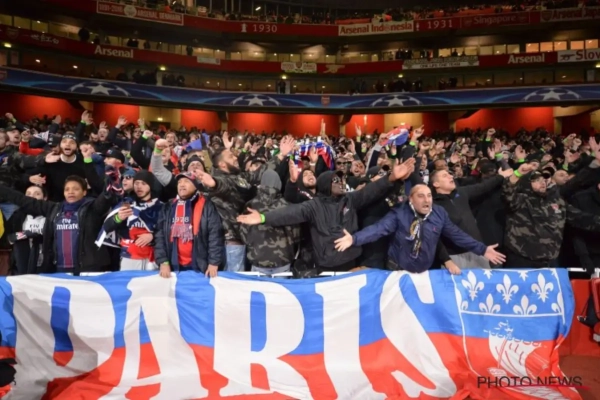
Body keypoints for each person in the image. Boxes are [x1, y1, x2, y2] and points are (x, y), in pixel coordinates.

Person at [237, 158, 417, 272]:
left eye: (342, 179)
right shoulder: (313, 205)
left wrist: (391, 178)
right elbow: (289, 213)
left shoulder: (350, 199)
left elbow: (371, 190)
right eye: (335, 180)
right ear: (325, 184)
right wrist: (263, 217)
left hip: (351, 261)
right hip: (326, 265)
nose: (341, 182)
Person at [334, 184, 506, 274]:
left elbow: (457, 234)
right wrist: (354, 239)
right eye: (421, 196)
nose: (427, 200)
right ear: (411, 199)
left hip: (425, 270)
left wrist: (482, 249)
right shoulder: (399, 213)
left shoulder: (439, 213)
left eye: (429, 196)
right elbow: (378, 229)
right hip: (398, 268)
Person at [0, 175, 118, 274]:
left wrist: (111, 184)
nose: (70, 192)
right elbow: (21, 199)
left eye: (75, 189)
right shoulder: (54, 208)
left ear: (84, 192)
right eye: (67, 189)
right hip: (59, 269)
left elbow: (105, 199)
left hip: (88, 270)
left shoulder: (92, 208)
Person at [154, 172, 224, 278]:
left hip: (201, 266)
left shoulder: (206, 205)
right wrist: (163, 261)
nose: (182, 185)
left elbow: (215, 235)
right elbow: (160, 236)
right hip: (173, 266)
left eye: (186, 181)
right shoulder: (168, 207)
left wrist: (213, 262)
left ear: (195, 186)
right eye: (179, 182)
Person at [97, 171, 163, 271]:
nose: (139, 187)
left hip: (153, 258)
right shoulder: (126, 203)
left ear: (150, 186)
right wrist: (118, 218)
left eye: (143, 183)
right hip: (129, 257)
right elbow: (107, 227)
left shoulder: (161, 207)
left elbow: (167, 231)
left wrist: (152, 236)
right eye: (136, 183)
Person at [239, 170, 300, 276]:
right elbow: (296, 234)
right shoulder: (286, 205)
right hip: (283, 260)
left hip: (258, 259)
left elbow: (243, 232)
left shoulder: (251, 205)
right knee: (280, 287)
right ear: (279, 184)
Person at [5, 185, 47, 275]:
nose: (32, 197)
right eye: (28, 194)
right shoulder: (17, 216)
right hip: (21, 265)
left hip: (46, 264)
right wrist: (21, 235)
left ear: (45, 198)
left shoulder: (52, 216)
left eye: (37, 194)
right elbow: (6, 238)